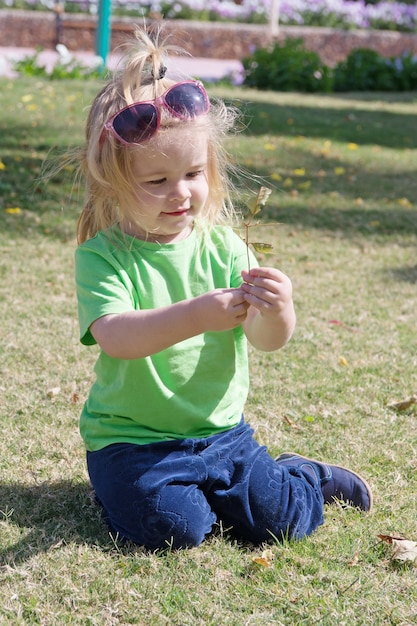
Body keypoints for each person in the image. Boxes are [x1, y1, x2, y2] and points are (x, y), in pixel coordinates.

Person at [73, 27, 373, 551]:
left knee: (278, 521)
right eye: (156, 181)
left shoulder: (226, 249)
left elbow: (267, 339)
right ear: (112, 181)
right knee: (173, 529)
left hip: (222, 433)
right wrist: (197, 314)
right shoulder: (103, 257)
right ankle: (125, 491)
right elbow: (117, 337)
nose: (180, 192)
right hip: (132, 442)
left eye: (193, 173)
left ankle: (309, 478)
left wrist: (278, 310)